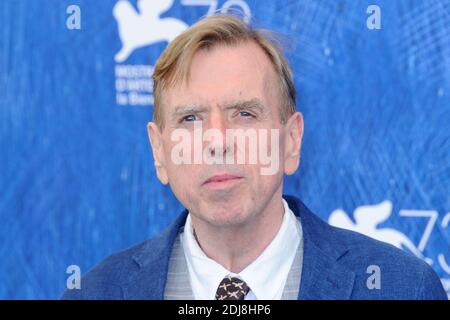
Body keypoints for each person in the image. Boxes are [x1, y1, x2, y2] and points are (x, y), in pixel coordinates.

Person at [61, 13, 446, 300]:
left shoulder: (402, 288)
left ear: (291, 141)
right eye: (190, 118)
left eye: (244, 114)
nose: (217, 141)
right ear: (159, 153)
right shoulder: (94, 293)